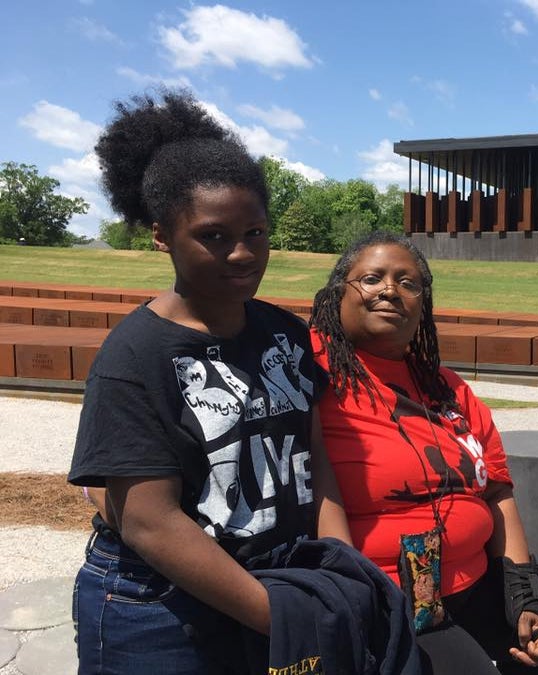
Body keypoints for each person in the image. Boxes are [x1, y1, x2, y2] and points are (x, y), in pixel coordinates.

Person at [68, 90, 352, 674]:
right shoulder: (135, 356)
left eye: (256, 232)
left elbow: (313, 457)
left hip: (276, 579)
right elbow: (148, 520)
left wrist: (340, 570)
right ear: (161, 236)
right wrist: (282, 616)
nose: (243, 253)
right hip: (159, 609)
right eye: (215, 236)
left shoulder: (284, 333)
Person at [309, 231, 538, 674]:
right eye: (371, 278)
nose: (391, 290)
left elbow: (496, 489)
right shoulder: (313, 377)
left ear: (423, 304)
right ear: (339, 292)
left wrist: (523, 591)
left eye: (408, 283)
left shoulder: (447, 387)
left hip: (469, 576)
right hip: (387, 596)